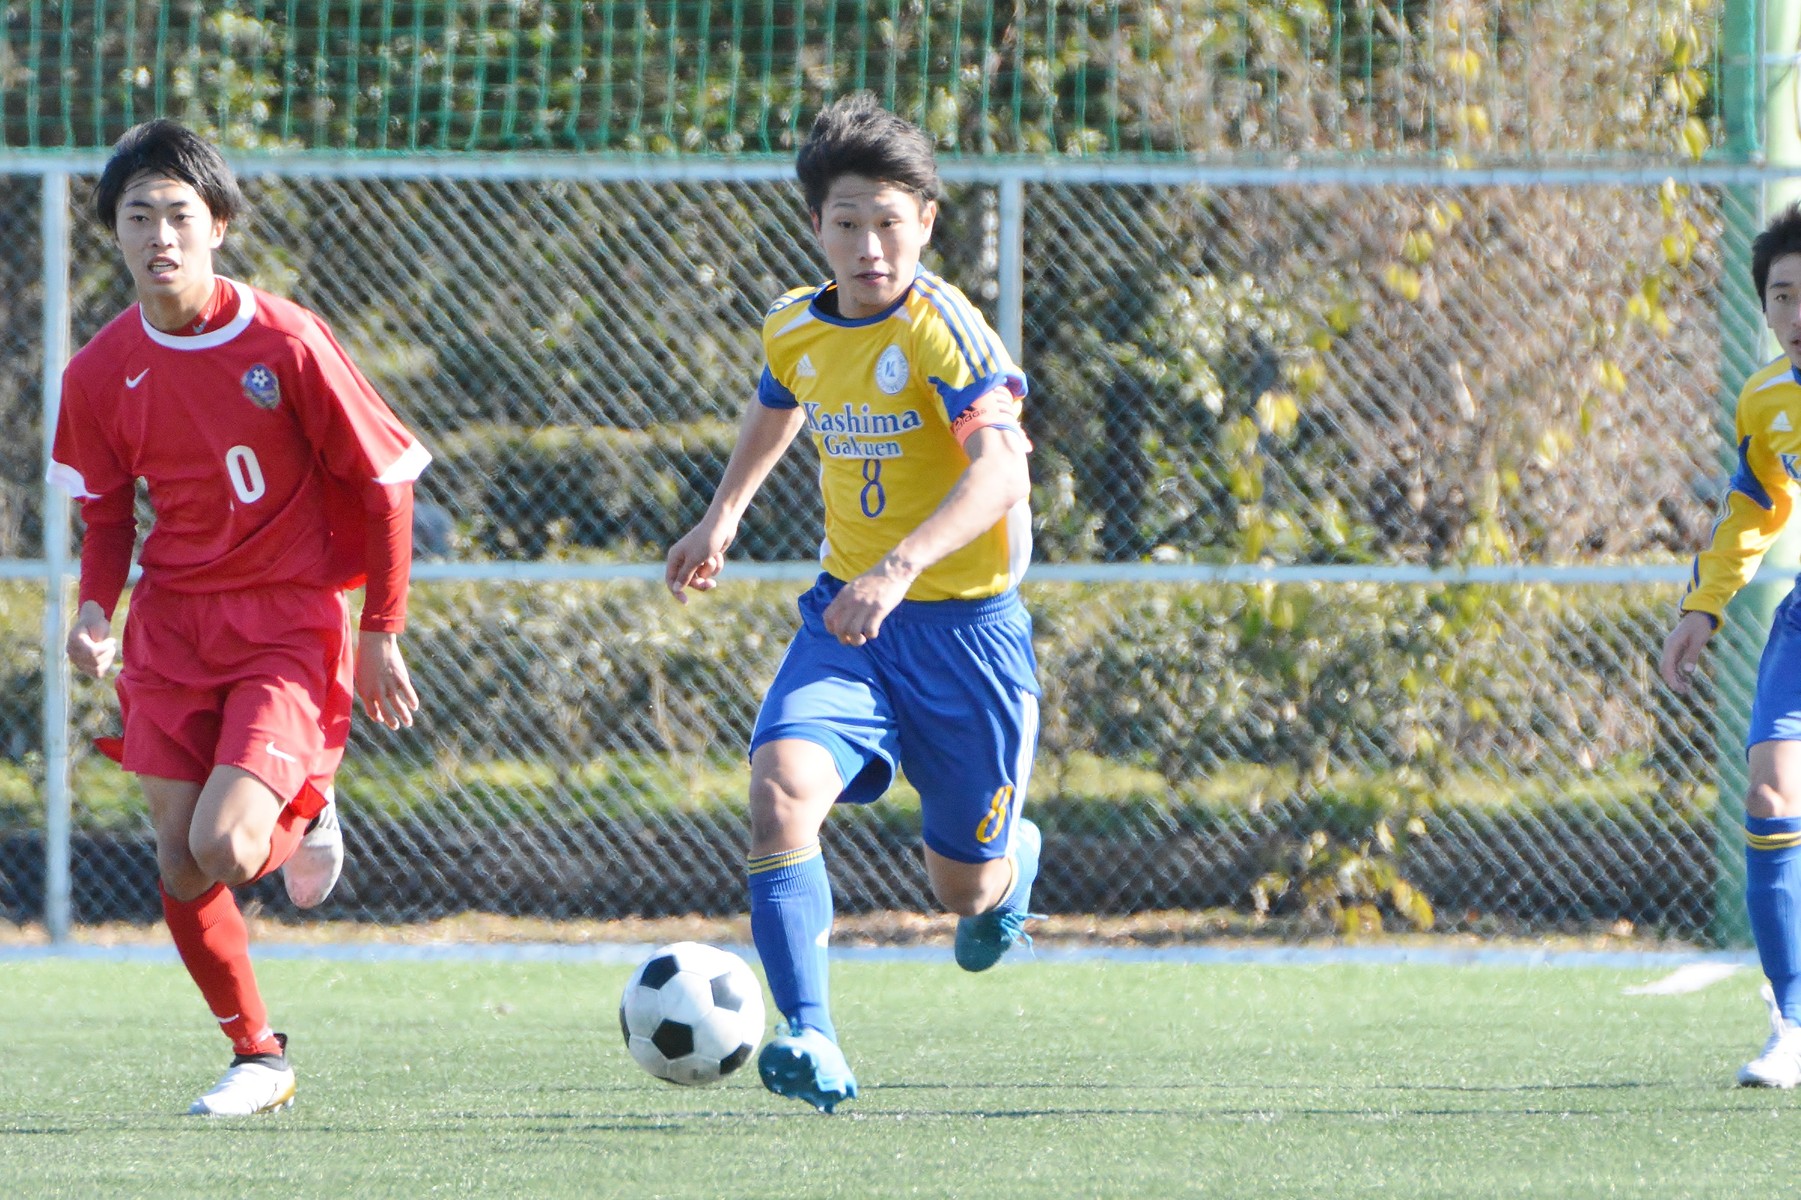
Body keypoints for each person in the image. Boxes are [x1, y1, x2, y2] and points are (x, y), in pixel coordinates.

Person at [665, 92, 1043, 1114]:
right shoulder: (795, 322)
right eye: (846, 223)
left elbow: (1003, 473)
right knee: (779, 787)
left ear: (925, 220)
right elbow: (779, 395)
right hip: (848, 625)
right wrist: (723, 514)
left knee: (962, 893)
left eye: (889, 221)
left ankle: (1011, 863)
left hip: (967, 636)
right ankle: (812, 1035)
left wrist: (903, 565)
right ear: (814, 227)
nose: (869, 245)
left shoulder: (943, 329)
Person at [47, 119, 430, 1116]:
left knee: (225, 844)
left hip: (284, 626)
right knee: (177, 861)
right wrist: (95, 612)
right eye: (139, 217)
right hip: (172, 628)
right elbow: (103, 515)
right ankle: (259, 1054)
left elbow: (386, 483)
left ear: (217, 225)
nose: (160, 235)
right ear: (115, 234)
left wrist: (379, 629)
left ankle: (306, 802)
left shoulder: (286, 340)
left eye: (180, 214)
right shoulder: (97, 372)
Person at [1661, 200, 1801, 1088]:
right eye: (1782, 295)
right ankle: (1793, 1023)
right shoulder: (1764, 400)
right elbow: (1753, 509)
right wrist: (1700, 609)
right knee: (1768, 794)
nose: (1797, 312)